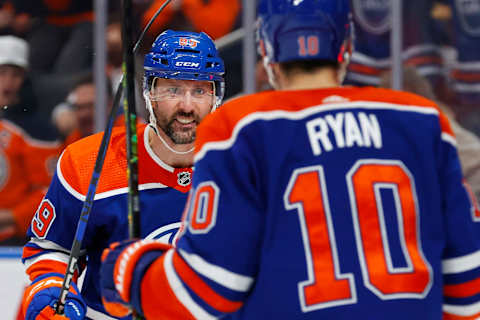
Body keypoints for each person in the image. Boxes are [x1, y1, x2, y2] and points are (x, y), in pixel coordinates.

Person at [99, 1, 480, 319]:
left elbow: (202, 294)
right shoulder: (422, 120)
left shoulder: (241, 127)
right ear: (346, 48)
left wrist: (127, 265)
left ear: (266, 52)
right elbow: (468, 289)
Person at [20, 30, 225, 320]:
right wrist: (51, 290)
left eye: (200, 91)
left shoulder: (244, 166)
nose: (187, 106)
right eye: (173, 90)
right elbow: (52, 248)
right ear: (148, 92)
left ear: (217, 96)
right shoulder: (91, 162)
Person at [0, 35, 60, 246]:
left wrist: (11, 217)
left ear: (24, 78)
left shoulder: (39, 130)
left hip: (17, 239)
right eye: (2, 73)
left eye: (15, 74)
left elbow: (49, 191)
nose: (8, 82)